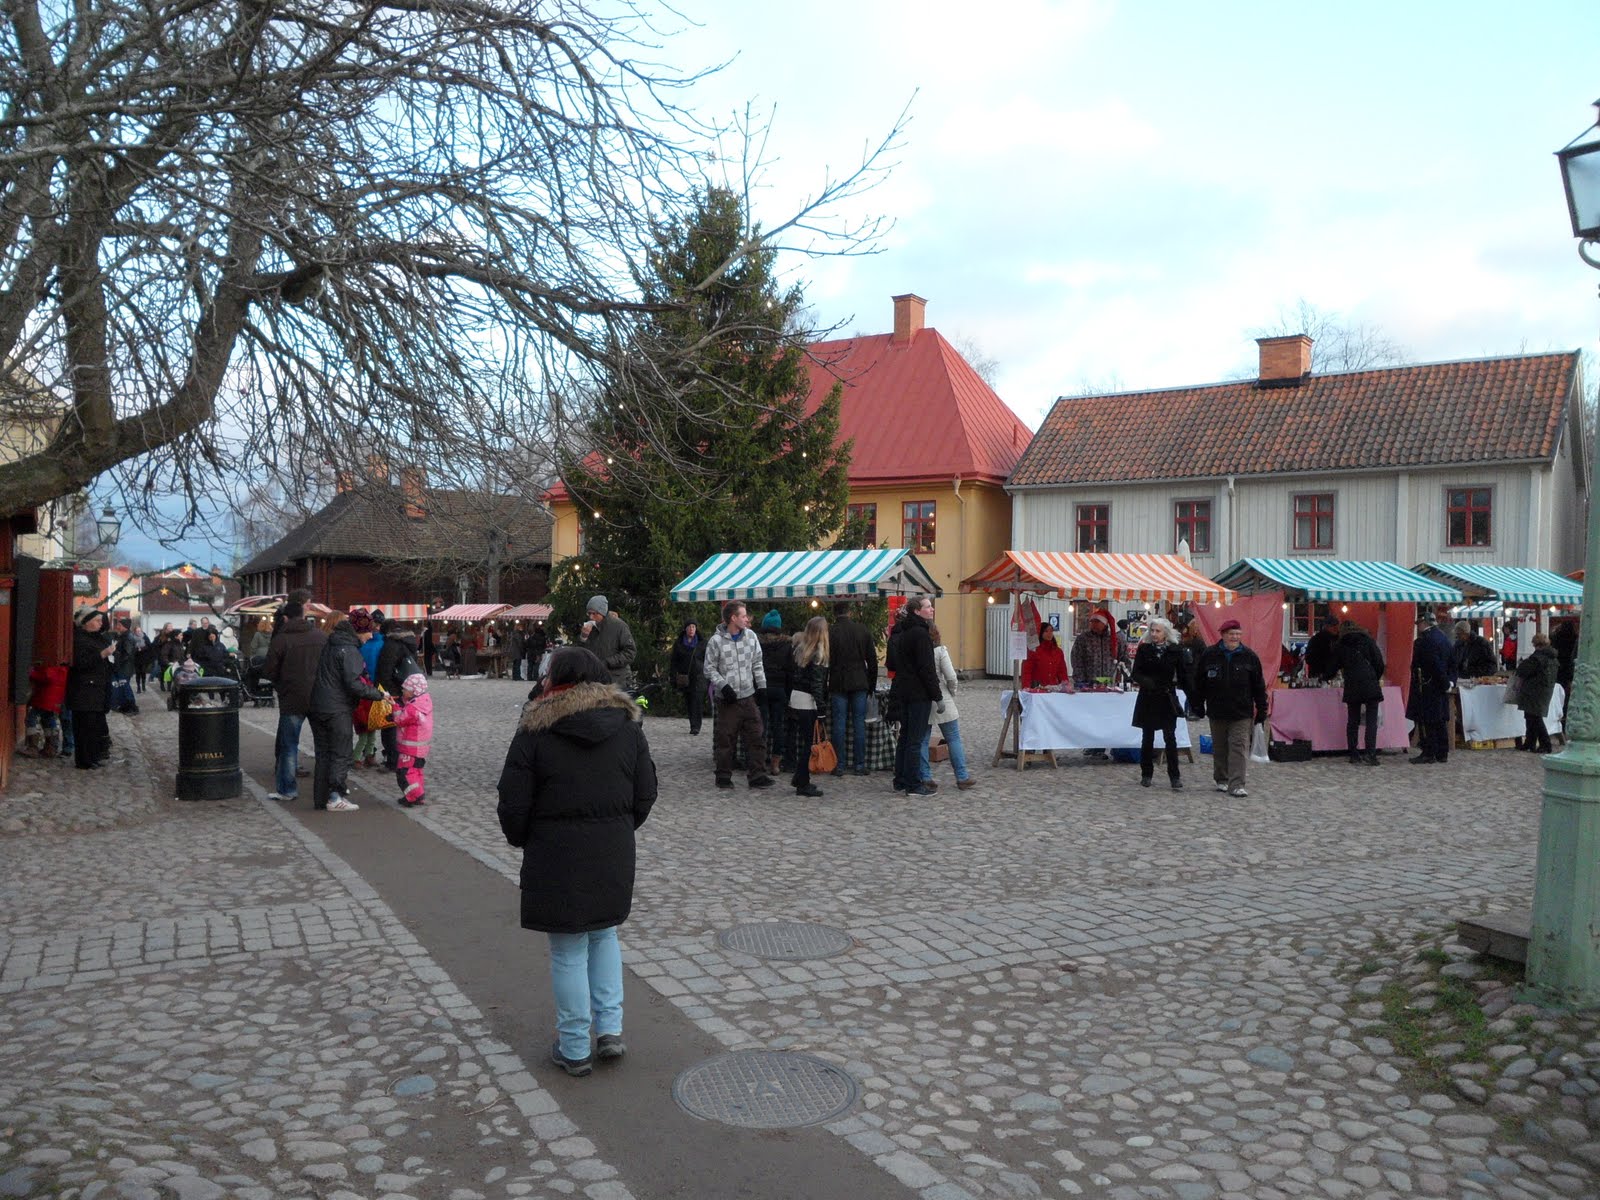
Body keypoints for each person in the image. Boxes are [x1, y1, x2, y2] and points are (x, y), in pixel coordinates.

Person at [496, 647, 658, 1078]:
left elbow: (513, 802)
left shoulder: (535, 728)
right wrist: (619, 829)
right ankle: (610, 1031)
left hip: (556, 853)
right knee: (603, 935)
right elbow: (646, 793)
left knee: (568, 949)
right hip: (611, 849)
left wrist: (524, 838)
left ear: (557, 679)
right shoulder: (627, 726)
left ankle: (573, 1047)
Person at [307, 614, 385, 811]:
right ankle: (335, 796)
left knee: (323, 754)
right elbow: (354, 683)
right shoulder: (349, 650)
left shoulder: (331, 645)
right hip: (337, 708)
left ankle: (321, 798)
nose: (370, 636)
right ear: (359, 631)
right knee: (341, 753)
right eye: (369, 632)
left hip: (319, 706)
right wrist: (379, 695)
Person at [1191, 619, 1269, 797]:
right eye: (1231, 634)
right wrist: (1197, 704)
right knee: (1220, 747)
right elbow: (1199, 682)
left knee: (1238, 747)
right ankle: (1221, 778)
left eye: (1238, 634)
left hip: (1241, 711)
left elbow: (1258, 685)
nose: (1235, 637)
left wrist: (1262, 708)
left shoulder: (1249, 657)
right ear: (1223, 635)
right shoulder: (1210, 655)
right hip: (1217, 709)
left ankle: (1237, 784)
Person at [263, 598, 328, 803]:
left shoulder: (281, 639)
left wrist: (281, 685)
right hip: (319, 696)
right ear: (304, 615)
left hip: (291, 697)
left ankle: (288, 790)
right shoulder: (320, 636)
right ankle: (326, 790)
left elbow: (269, 670)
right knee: (323, 746)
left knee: (289, 746)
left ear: (284, 618)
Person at [704, 601, 774, 789]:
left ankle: (757, 774)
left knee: (756, 736)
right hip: (727, 699)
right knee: (726, 739)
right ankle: (723, 776)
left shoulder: (751, 637)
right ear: (733, 618)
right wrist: (723, 686)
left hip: (748, 696)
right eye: (743, 615)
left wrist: (762, 687)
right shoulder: (716, 641)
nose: (747, 618)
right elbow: (709, 669)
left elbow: (757, 663)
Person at [886, 595, 941, 797]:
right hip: (918, 693)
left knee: (905, 737)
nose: (932, 609)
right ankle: (913, 784)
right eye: (927, 607)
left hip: (904, 690)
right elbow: (927, 668)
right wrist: (937, 695)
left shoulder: (903, 632)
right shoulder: (920, 634)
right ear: (917, 611)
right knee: (915, 740)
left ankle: (900, 779)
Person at [1130, 617, 1185, 790]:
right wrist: (1147, 682)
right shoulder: (1144, 649)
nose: (1154, 634)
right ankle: (1146, 773)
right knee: (1148, 737)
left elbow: (1183, 675)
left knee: (1170, 737)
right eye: (1152, 631)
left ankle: (1174, 776)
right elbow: (1136, 673)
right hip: (1148, 696)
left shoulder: (1175, 651)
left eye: (1158, 631)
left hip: (1167, 697)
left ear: (1165, 633)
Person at [1071, 607, 1129, 758]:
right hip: (1089, 684)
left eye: (1097, 621)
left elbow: (1125, 660)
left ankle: (1105, 744)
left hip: (1111, 686)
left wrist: (1124, 678)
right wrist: (1080, 681)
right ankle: (1093, 745)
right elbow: (1077, 660)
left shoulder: (1117, 640)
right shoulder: (1083, 639)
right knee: (1091, 716)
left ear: (1104, 623)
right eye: (1092, 621)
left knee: (1108, 716)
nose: (1093, 624)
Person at [827, 601, 877, 776]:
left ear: (835, 614)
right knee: (859, 723)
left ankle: (838, 764)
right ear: (850, 613)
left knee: (839, 723)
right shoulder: (862, 630)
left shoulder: (830, 632)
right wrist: (872, 684)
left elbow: (826, 661)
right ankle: (859, 764)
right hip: (859, 681)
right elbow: (872, 660)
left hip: (838, 681)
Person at [786, 616, 829, 798]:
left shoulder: (800, 649)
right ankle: (803, 782)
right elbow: (817, 684)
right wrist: (821, 709)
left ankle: (800, 776)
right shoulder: (818, 653)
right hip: (808, 701)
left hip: (796, 696)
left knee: (803, 741)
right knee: (809, 744)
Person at [67, 609, 116, 769]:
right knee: (84, 726)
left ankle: (94, 756)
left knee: (95, 725)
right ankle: (84, 760)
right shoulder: (79, 639)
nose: (100, 623)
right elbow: (80, 663)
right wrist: (102, 654)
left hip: (99, 688)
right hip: (84, 689)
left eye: (101, 620)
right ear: (86, 622)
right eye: (97, 620)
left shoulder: (99, 638)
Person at [929, 623, 975, 791]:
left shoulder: (917, 650)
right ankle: (962, 776)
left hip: (922, 698)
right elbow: (951, 677)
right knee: (953, 738)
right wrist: (951, 692)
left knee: (922, 739)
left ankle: (925, 776)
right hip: (942, 696)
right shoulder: (940, 651)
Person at [1407, 612, 1456, 765]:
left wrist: (1443, 681)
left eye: (1419, 624)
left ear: (1424, 623)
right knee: (1440, 719)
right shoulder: (1443, 638)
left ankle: (1429, 752)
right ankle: (1442, 752)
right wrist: (1450, 682)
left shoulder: (1426, 641)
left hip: (1428, 684)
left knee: (1428, 720)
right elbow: (1452, 662)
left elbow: (1434, 664)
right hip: (1441, 684)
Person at [1336, 619, 1385, 766]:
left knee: (1353, 721)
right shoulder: (1368, 641)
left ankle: (1354, 753)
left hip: (1352, 684)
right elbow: (1379, 662)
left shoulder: (1342, 644)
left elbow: (1334, 665)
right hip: (1370, 683)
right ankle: (1371, 753)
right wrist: (1374, 677)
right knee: (1371, 721)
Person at [375, 619, 419, 770]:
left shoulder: (391, 645)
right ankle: (403, 757)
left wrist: (386, 692)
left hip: (393, 692)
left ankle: (392, 761)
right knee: (402, 726)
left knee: (389, 727)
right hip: (408, 689)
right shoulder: (409, 642)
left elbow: (384, 671)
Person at [391, 672, 434, 805]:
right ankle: (418, 793)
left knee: (404, 772)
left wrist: (395, 706)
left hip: (410, 747)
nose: (403, 691)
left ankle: (414, 795)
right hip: (421, 747)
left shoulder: (412, 708)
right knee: (416, 770)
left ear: (413, 691)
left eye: (405, 689)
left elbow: (400, 720)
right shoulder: (424, 701)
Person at [757, 610, 792, 775]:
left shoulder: (757, 643)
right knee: (779, 726)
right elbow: (791, 670)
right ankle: (776, 762)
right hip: (779, 688)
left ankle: (760, 760)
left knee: (761, 725)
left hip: (762, 688)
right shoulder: (787, 644)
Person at [1515, 633, 1559, 755]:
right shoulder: (1552, 657)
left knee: (1534, 718)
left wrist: (1523, 663)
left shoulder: (1539, 657)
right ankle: (1530, 743)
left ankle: (1545, 744)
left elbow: (1523, 670)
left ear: (1537, 645)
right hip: (1544, 689)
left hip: (1534, 690)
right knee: (1531, 717)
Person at [351, 608, 383, 769]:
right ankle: (358, 757)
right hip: (365, 697)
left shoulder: (358, 649)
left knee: (371, 733)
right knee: (366, 734)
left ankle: (369, 755)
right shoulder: (354, 651)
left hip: (370, 693)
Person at [582, 595, 636, 689]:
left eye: (594, 613)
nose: (591, 617)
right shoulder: (590, 628)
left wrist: (607, 662)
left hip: (616, 680)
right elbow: (583, 652)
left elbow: (630, 652)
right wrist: (584, 637)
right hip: (596, 681)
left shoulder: (619, 626)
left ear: (602, 612)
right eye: (589, 613)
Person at [24, 658, 68, 758]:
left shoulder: (50, 660)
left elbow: (47, 676)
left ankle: (33, 747)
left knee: (31, 719)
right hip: (54, 697)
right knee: (48, 719)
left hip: (45, 696)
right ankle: (51, 747)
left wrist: (32, 672)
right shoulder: (63, 664)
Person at [668, 621, 706, 735]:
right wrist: (673, 676)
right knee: (689, 701)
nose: (691, 629)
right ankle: (692, 724)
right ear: (685, 629)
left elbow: (708, 659)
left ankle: (696, 726)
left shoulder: (702, 643)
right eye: (689, 627)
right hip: (685, 677)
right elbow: (674, 661)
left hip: (699, 677)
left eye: (694, 627)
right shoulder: (679, 643)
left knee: (697, 700)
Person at [1020, 624, 1070, 690]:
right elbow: (1026, 671)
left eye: (1051, 631)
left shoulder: (1058, 652)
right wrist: (1026, 687)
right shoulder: (1033, 650)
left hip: (1053, 690)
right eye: (1046, 631)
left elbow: (1062, 671)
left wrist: (1066, 686)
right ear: (1040, 633)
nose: (1049, 633)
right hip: (1036, 689)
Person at [1177, 616, 1205, 718]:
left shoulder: (1189, 642)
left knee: (1190, 692)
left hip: (1189, 671)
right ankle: (1192, 711)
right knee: (1191, 692)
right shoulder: (1197, 642)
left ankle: (1190, 710)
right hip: (1191, 671)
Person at [1551, 619, 1578, 721]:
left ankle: (1558, 714)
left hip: (1557, 670)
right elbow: (1573, 657)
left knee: (1557, 694)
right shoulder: (1574, 639)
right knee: (1567, 695)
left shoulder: (1555, 638)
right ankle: (1565, 715)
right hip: (1568, 671)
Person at [1303, 616, 1341, 682]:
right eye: (1333, 626)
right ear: (1325, 627)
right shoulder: (1316, 640)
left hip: (1334, 676)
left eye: (1337, 625)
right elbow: (1309, 658)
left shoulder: (1339, 640)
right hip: (1319, 675)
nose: (1336, 628)